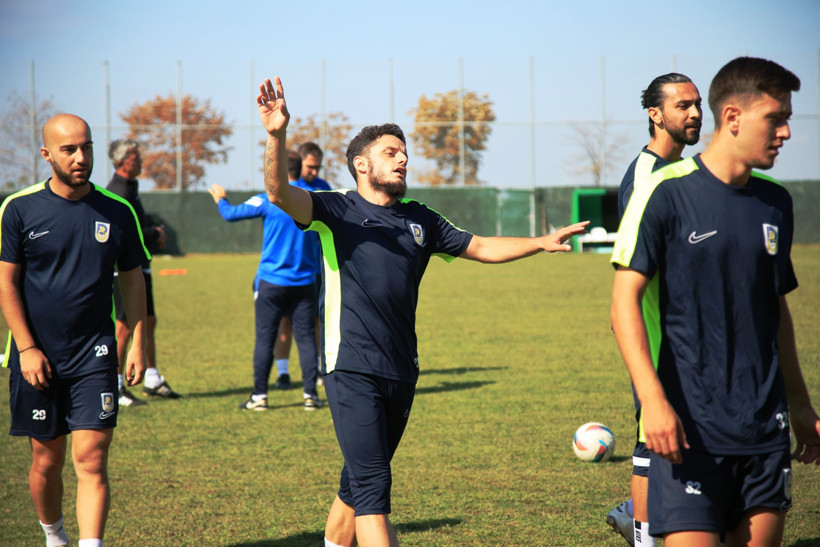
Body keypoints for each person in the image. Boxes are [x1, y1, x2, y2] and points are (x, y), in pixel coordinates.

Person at [256, 76, 589, 547]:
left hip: (402, 370)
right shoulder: (335, 210)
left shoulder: (421, 219)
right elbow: (278, 194)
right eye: (391, 152)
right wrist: (275, 135)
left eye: (404, 151)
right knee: (374, 491)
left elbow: (481, 246)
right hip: (350, 367)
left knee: (357, 483)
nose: (403, 158)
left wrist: (538, 242)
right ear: (361, 164)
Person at [611, 57, 820, 546]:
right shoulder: (661, 190)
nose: (786, 131)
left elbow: (777, 309)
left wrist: (801, 403)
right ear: (734, 118)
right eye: (775, 118)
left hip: (765, 427)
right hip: (690, 425)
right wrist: (653, 400)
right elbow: (624, 301)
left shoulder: (777, 203)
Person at [0, 114, 149, 547]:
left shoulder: (117, 211)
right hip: (38, 356)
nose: (81, 157)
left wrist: (136, 340)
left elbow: (133, 277)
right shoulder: (19, 208)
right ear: (47, 154)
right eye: (69, 149)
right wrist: (26, 348)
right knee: (46, 463)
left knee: (91, 459)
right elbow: (6, 282)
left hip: (95, 353)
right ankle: (54, 535)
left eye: (86, 147)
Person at [606, 72, 702, 547]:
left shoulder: (687, 172)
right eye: (683, 105)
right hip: (660, 338)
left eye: (698, 104)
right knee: (651, 444)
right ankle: (642, 535)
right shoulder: (645, 178)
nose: (695, 113)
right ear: (655, 113)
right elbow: (635, 270)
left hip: (696, 336)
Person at [208, 149, 322, 410]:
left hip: (271, 283)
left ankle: (259, 396)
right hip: (305, 282)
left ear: (277, 170)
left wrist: (221, 199)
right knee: (305, 338)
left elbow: (230, 214)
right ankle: (310, 396)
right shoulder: (312, 199)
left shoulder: (266, 199)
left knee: (265, 339)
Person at [107, 139, 181, 405]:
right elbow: (124, 232)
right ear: (122, 161)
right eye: (136, 157)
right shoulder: (117, 191)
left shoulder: (131, 187)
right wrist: (154, 233)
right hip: (123, 270)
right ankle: (115, 386)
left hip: (142, 266)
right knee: (124, 327)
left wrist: (152, 232)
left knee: (149, 320)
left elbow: (137, 222)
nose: (141, 161)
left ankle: (152, 378)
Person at [273, 141, 333, 388]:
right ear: (300, 162)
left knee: (318, 321)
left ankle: (319, 369)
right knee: (284, 322)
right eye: (311, 167)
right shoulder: (288, 189)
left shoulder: (323, 188)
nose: (314, 172)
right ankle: (283, 373)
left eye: (318, 167)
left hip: (318, 266)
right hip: (289, 268)